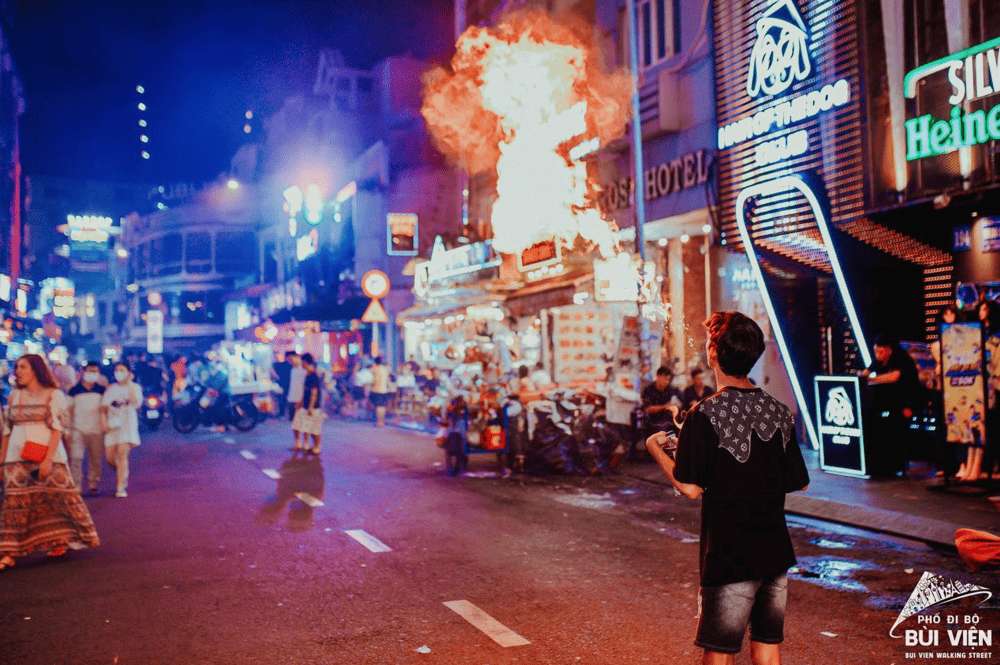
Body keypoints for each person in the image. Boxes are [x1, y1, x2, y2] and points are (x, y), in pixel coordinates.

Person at [645, 311, 809, 664]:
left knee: (719, 651)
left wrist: (656, 449)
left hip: (730, 554)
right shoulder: (780, 411)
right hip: (774, 550)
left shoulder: (703, 414)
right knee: (767, 645)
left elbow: (689, 488)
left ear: (714, 353)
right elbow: (800, 482)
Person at [0, 354, 100, 571]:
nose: (17, 371)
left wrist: (46, 460)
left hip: (48, 455)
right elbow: (7, 430)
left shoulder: (54, 395)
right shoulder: (14, 396)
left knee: (58, 500)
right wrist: (1, 461)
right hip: (16, 457)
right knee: (14, 505)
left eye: (23, 367)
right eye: (16, 367)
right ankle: (8, 553)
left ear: (36, 370)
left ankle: (60, 539)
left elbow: (57, 430)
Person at [859, 334, 921, 476]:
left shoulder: (902, 359)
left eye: (880, 352)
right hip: (889, 402)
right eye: (875, 351)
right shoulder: (878, 361)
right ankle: (883, 464)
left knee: (897, 429)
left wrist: (871, 378)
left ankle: (898, 465)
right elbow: (865, 373)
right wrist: (864, 376)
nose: (877, 355)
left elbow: (894, 377)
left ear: (889, 350)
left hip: (907, 401)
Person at [100, 361, 143, 498]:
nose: (119, 372)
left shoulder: (135, 387)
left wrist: (129, 383)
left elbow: (136, 402)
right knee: (110, 458)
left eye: (122, 370)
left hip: (127, 423)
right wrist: (104, 423)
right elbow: (103, 407)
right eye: (117, 370)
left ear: (129, 372)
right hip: (113, 424)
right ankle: (123, 472)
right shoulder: (111, 388)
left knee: (122, 455)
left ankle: (120, 487)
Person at [67, 361, 107, 495]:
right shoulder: (74, 391)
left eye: (95, 371)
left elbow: (105, 410)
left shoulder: (102, 390)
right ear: (83, 372)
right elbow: (70, 410)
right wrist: (68, 428)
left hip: (97, 430)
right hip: (77, 430)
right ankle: (76, 485)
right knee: (76, 458)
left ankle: (93, 484)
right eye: (90, 371)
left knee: (95, 459)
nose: (92, 374)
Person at [291, 353, 324, 455]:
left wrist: (310, 407)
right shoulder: (308, 375)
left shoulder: (313, 376)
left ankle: (317, 446)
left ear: (305, 362)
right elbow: (305, 391)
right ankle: (311, 445)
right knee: (303, 426)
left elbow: (314, 393)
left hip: (313, 407)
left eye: (302, 362)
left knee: (315, 428)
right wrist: (300, 403)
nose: (301, 364)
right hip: (306, 406)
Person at [641, 366, 682, 436]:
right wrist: (665, 406)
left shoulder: (672, 390)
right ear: (658, 376)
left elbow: (680, 403)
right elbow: (648, 409)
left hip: (670, 424)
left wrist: (677, 405)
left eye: (668, 380)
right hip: (654, 424)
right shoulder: (648, 390)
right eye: (665, 379)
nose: (666, 382)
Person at [270, 351, 292, 420]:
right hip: (279, 384)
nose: (276, 358)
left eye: (277, 356)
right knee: (281, 400)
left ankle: (283, 414)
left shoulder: (286, 364)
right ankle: (281, 414)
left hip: (285, 384)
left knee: (284, 399)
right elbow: (275, 375)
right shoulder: (275, 365)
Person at [371, 356, 391, 427]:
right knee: (382, 406)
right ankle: (382, 421)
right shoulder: (385, 369)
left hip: (377, 389)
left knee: (378, 407)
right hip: (385, 390)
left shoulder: (375, 369)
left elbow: (373, 379)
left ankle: (379, 422)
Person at [286, 352, 306, 422]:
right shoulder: (292, 370)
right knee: (294, 423)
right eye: (289, 360)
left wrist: (302, 399)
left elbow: (304, 385)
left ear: (297, 357)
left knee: (301, 422)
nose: (290, 362)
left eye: (291, 359)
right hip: (292, 398)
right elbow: (292, 385)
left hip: (300, 399)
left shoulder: (303, 370)